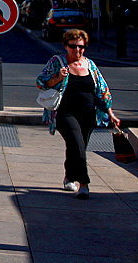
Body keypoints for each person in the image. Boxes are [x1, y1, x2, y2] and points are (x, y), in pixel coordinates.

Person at [36, 29, 121, 199]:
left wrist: (110, 113)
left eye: (81, 47)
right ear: (65, 46)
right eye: (73, 46)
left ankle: (69, 176)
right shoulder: (57, 62)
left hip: (88, 114)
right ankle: (84, 184)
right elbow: (41, 83)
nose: (77, 50)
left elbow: (102, 90)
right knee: (77, 144)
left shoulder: (90, 65)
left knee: (77, 147)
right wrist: (58, 78)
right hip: (64, 113)